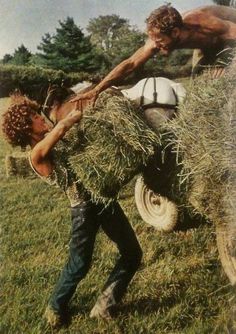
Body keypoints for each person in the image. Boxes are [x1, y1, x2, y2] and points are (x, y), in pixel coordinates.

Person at [1, 94, 142, 328]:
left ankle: (104, 305)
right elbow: (59, 131)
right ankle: (55, 307)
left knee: (132, 252)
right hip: (83, 210)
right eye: (35, 117)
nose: (41, 117)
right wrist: (69, 119)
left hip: (102, 198)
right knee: (79, 264)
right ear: (26, 127)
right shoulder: (36, 154)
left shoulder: (54, 138)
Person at [71, 4, 236, 106]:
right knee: (199, 90)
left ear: (175, 32)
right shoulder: (157, 39)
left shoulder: (200, 22)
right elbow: (130, 64)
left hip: (229, 38)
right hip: (204, 48)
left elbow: (232, 33)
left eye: (159, 40)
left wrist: (223, 63)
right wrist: (98, 89)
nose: (155, 45)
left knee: (223, 75)